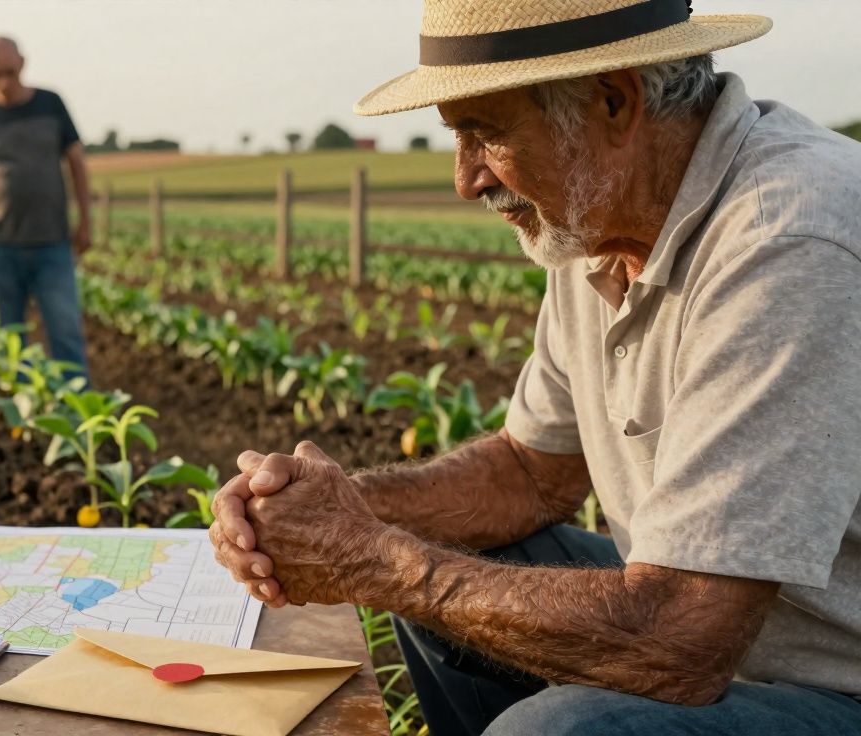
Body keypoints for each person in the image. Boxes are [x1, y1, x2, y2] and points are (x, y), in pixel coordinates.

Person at [209, 1, 861, 734]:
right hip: (727, 636)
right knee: (461, 566)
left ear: (614, 101)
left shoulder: (792, 240)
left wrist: (375, 559)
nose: (465, 180)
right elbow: (531, 472)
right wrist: (334, 513)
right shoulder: (600, 220)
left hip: (832, 679)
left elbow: (685, 638)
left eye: (484, 135)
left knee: (558, 730)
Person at [0, 35, 92, 381]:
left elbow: (76, 161)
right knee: (8, 341)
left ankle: (79, 415)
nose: (3, 81)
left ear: (23, 64)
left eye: (9, 72)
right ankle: (22, 419)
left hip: (51, 242)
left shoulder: (50, 104)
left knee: (64, 331)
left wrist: (86, 220)